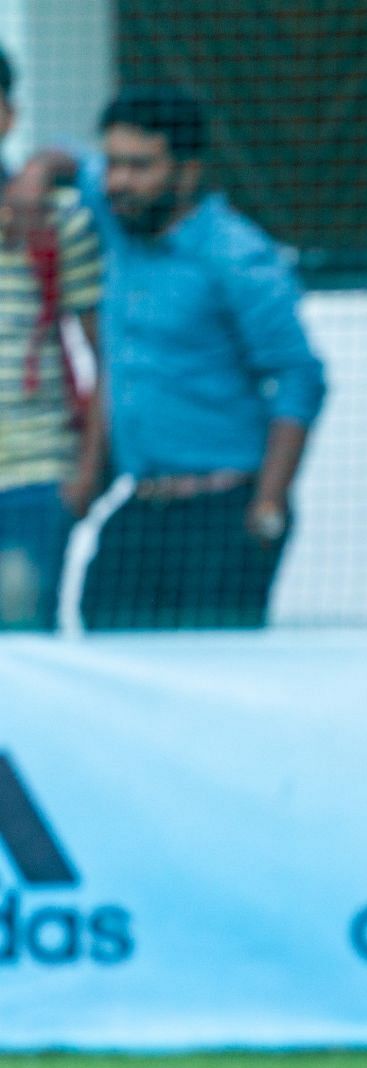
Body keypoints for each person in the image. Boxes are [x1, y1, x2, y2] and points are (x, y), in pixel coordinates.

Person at [49, 88, 323, 630]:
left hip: (222, 510)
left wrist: (269, 505)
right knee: (104, 657)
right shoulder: (118, 218)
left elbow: (300, 376)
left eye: (139, 166)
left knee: (210, 681)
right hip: (140, 505)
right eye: (113, 163)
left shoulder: (236, 254)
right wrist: (39, 172)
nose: (119, 181)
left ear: (187, 173)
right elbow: (62, 155)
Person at [0, 45, 104, 631]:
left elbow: (105, 353)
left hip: (33, 476)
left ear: (7, 116)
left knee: (19, 641)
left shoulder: (58, 218)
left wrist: (86, 473)